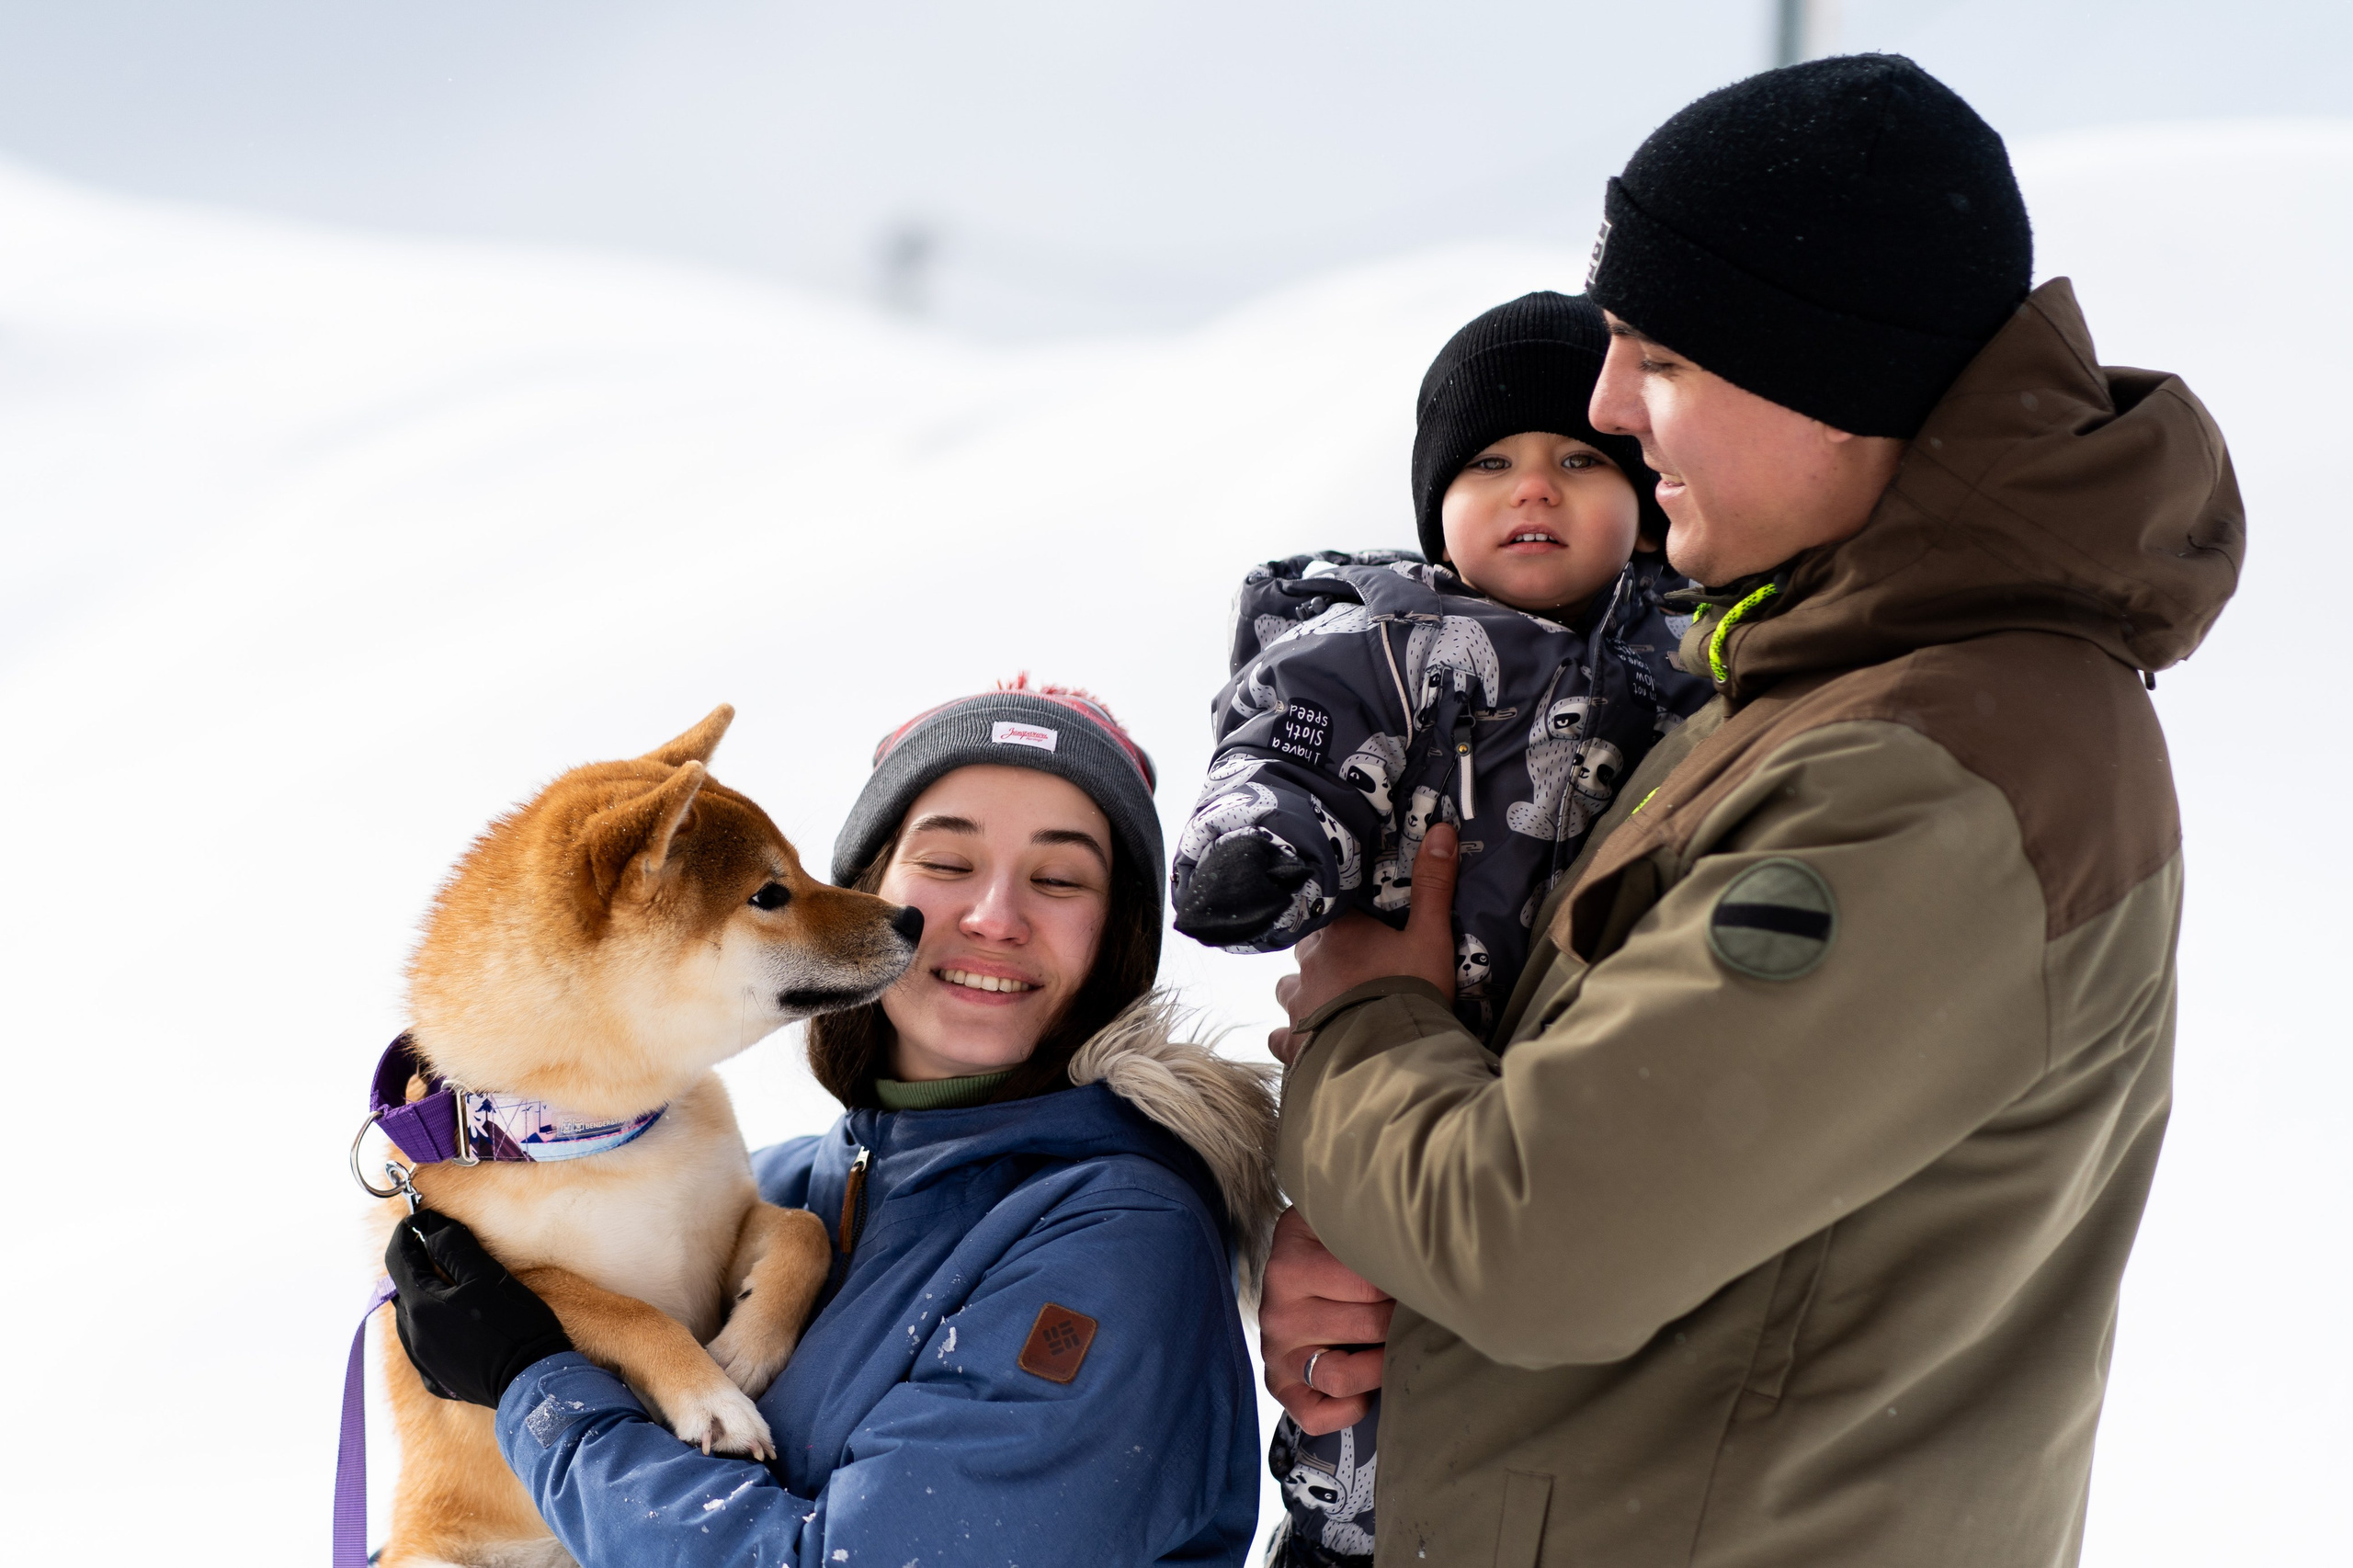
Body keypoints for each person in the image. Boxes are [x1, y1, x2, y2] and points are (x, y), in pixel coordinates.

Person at [1258, 53, 2243, 1568]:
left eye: (1659, 360)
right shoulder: (1809, 688)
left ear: (1825, 374)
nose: (1603, 410)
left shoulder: (1936, 772)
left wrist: (1362, 1031)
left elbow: (1536, 1235)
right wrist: (1369, 1264)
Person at [387, 679, 1278, 1567]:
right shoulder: (781, 1189)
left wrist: (535, 1388)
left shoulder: (1119, 1236)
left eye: (1056, 878)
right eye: (946, 863)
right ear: (869, 886)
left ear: (1111, 938)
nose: (993, 916)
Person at [1166, 290, 1708, 1564]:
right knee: (1364, 1343)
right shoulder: (1383, 641)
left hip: (1587, 1088)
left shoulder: (1695, 650)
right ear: (1437, 505)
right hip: (1395, 1083)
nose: (1538, 487)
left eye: (1583, 458)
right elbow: (1284, 747)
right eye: (1492, 462)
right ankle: (1344, 1534)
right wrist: (1264, 848)